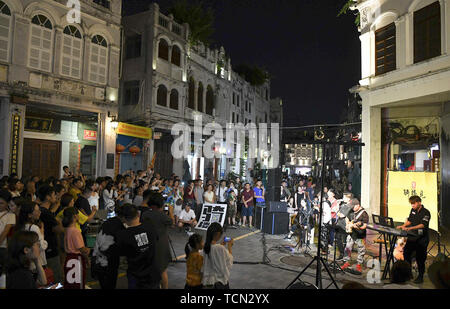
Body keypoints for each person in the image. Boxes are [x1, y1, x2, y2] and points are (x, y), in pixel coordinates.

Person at [116, 204, 160, 289]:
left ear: (123, 219)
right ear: (138, 214)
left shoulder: (123, 235)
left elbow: (121, 253)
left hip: (136, 277)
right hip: (153, 274)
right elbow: (156, 239)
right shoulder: (150, 226)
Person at [140, 192, 172, 289]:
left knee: (151, 269)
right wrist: (171, 211)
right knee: (162, 271)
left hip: (148, 244)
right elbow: (171, 222)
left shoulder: (145, 214)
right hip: (160, 245)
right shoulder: (162, 215)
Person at [396, 195, 431, 284]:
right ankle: (408, 273)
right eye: (411, 204)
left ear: (419, 202)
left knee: (420, 258)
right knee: (406, 254)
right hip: (412, 237)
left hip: (422, 239)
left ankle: (420, 276)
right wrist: (403, 226)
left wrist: (410, 228)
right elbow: (410, 220)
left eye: (413, 204)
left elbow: (423, 225)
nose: (412, 206)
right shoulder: (413, 210)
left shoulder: (426, 212)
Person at [91, 204, 126, 289]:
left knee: (104, 284)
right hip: (109, 262)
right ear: (124, 216)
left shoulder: (108, 222)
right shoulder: (120, 226)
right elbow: (122, 244)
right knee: (110, 284)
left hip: (97, 259)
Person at [37, 186, 64, 284]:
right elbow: (59, 229)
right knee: (55, 278)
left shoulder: (40, 210)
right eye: (53, 195)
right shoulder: (46, 213)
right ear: (48, 197)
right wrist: (59, 221)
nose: (56, 197)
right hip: (50, 249)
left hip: (43, 249)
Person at [62, 207, 90, 289]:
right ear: (75, 216)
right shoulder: (75, 231)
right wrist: (88, 255)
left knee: (70, 285)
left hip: (69, 259)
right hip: (76, 260)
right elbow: (81, 249)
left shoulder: (67, 230)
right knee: (78, 284)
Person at [341, 198, 369, 274]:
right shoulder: (351, 211)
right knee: (348, 248)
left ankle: (359, 264)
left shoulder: (364, 214)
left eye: (353, 206)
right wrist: (348, 224)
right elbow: (347, 217)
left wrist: (355, 226)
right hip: (351, 233)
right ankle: (346, 262)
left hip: (360, 235)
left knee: (361, 250)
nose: (352, 208)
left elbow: (364, 226)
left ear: (358, 205)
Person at [202, 222, 233, 289]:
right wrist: (230, 247)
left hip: (207, 282)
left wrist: (221, 245)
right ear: (218, 234)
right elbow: (229, 261)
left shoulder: (204, 247)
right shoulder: (220, 248)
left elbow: (213, 252)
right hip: (220, 283)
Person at [335, 192, 353, 261]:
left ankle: (344, 256)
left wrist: (337, 211)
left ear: (348, 198)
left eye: (344, 197)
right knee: (338, 239)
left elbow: (342, 215)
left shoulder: (349, 206)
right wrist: (337, 205)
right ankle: (342, 254)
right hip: (339, 224)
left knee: (344, 241)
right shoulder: (343, 205)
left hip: (344, 226)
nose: (343, 199)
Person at [0, 190, 15, 277]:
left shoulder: (10, 215)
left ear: (7, 204)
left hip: (3, 247)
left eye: (1, 203)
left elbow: (5, 232)